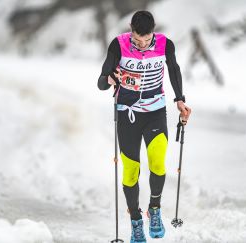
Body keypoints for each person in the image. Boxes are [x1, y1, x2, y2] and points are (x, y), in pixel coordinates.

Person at [97, 10, 191, 243]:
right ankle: (136, 220)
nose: (142, 45)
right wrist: (110, 78)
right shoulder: (118, 45)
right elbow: (101, 82)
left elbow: (174, 69)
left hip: (155, 112)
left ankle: (155, 210)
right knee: (131, 170)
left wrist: (180, 99)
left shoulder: (164, 44)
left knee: (158, 162)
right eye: (137, 41)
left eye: (146, 40)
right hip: (127, 115)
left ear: (153, 33)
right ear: (131, 29)